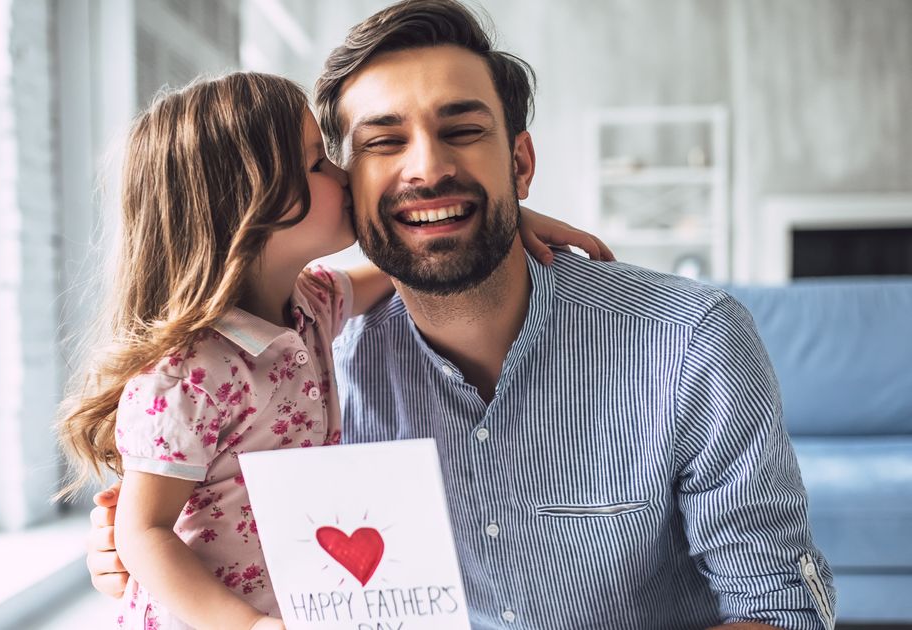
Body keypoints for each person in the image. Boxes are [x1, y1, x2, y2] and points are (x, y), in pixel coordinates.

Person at [86, 1, 838, 628]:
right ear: (351, 186)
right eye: (382, 142)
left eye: (462, 131)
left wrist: (492, 218)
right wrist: (134, 549)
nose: (425, 169)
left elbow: (776, 605)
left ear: (519, 163)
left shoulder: (690, 340)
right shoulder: (314, 353)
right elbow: (186, 523)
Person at [57, 70, 612, 630]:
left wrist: (492, 222)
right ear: (250, 203)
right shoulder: (186, 377)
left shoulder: (313, 304)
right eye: (318, 162)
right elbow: (142, 531)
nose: (344, 173)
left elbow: (403, 262)